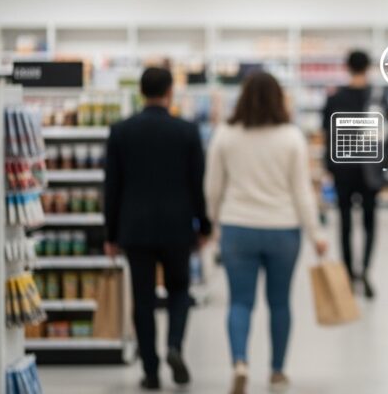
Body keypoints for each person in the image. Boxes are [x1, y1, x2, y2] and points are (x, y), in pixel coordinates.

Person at [206, 71, 329, 394]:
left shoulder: (226, 134)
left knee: (240, 302)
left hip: (238, 227)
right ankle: (276, 370)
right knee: (280, 302)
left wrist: (213, 221)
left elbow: (213, 187)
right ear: (279, 99)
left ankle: (240, 362)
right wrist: (315, 232)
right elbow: (302, 191)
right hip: (282, 229)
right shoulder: (291, 137)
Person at [104, 67, 212, 391]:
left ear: (141, 92)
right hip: (177, 227)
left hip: (135, 229)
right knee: (179, 290)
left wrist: (110, 235)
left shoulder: (121, 131)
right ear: (170, 92)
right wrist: (203, 225)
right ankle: (175, 346)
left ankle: (150, 370)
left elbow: (112, 187)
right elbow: (198, 185)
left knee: (143, 298)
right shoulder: (187, 131)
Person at [321, 50, 388, 298]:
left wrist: (329, 166)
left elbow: (328, 135)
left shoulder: (335, 98)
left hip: (342, 169)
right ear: (368, 67)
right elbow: (387, 135)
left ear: (346, 67)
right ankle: (366, 273)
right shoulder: (378, 97)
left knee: (345, 223)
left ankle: (349, 276)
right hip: (369, 169)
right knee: (370, 222)